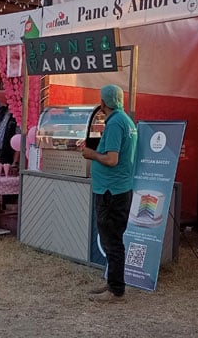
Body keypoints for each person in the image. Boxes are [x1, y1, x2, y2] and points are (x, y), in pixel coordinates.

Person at [80, 85, 137, 302]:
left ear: (104, 103)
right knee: (112, 240)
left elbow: (112, 159)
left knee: (112, 241)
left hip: (111, 191)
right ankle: (113, 282)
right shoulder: (126, 121)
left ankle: (116, 290)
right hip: (118, 189)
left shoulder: (115, 124)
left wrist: (91, 154)